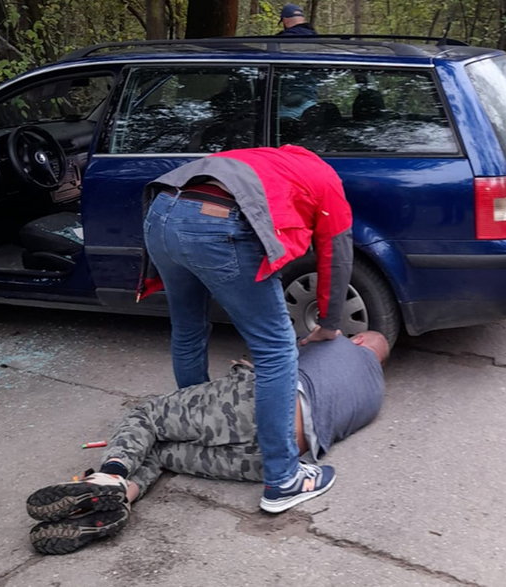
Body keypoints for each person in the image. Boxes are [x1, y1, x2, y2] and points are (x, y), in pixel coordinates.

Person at [26, 332, 389, 555]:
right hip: (275, 459)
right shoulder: (375, 397)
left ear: (358, 339)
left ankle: (108, 477)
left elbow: (274, 355)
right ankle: (123, 495)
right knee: (163, 452)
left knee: (149, 415)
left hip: (258, 406)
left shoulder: (337, 342)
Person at [138, 146, 353, 516]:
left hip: (161, 210)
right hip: (215, 222)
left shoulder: (271, 159)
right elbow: (337, 253)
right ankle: (283, 479)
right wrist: (329, 325)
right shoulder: (328, 181)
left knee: (188, 327)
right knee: (277, 350)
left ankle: (190, 423)